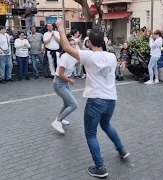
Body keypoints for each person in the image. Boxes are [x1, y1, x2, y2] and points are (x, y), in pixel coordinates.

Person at [55, 18, 130, 178]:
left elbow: (66, 47)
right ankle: (122, 150)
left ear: (90, 43)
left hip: (96, 100)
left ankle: (100, 167)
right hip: (111, 99)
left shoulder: (88, 56)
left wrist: (61, 28)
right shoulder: (111, 56)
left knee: (90, 134)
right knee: (106, 125)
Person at [51, 38, 79, 133]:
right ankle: (57, 121)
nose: (73, 46)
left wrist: (79, 58)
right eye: (70, 44)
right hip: (59, 83)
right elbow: (61, 74)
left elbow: (76, 65)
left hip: (64, 82)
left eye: (74, 44)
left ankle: (60, 119)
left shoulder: (73, 56)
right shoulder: (65, 57)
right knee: (73, 105)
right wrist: (70, 80)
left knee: (67, 104)